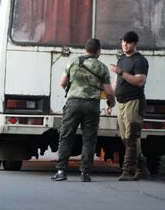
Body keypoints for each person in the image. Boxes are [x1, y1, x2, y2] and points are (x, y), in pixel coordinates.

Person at [51, 38, 115, 182]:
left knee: (66, 136)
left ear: (85, 49)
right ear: (99, 51)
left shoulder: (73, 62)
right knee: (89, 140)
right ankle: (85, 174)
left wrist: (73, 90)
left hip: (73, 103)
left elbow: (62, 83)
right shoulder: (102, 67)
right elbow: (109, 92)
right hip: (92, 105)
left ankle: (61, 171)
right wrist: (111, 102)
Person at [108, 31, 150, 181]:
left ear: (135, 44)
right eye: (123, 42)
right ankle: (142, 168)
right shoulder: (121, 60)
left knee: (132, 137)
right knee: (125, 138)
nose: (125, 45)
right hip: (121, 102)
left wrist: (121, 72)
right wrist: (110, 100)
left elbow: (139, 81)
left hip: (134, 101)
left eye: (128, 42)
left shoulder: (140, 61)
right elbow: (115, 82)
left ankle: (127, 170)